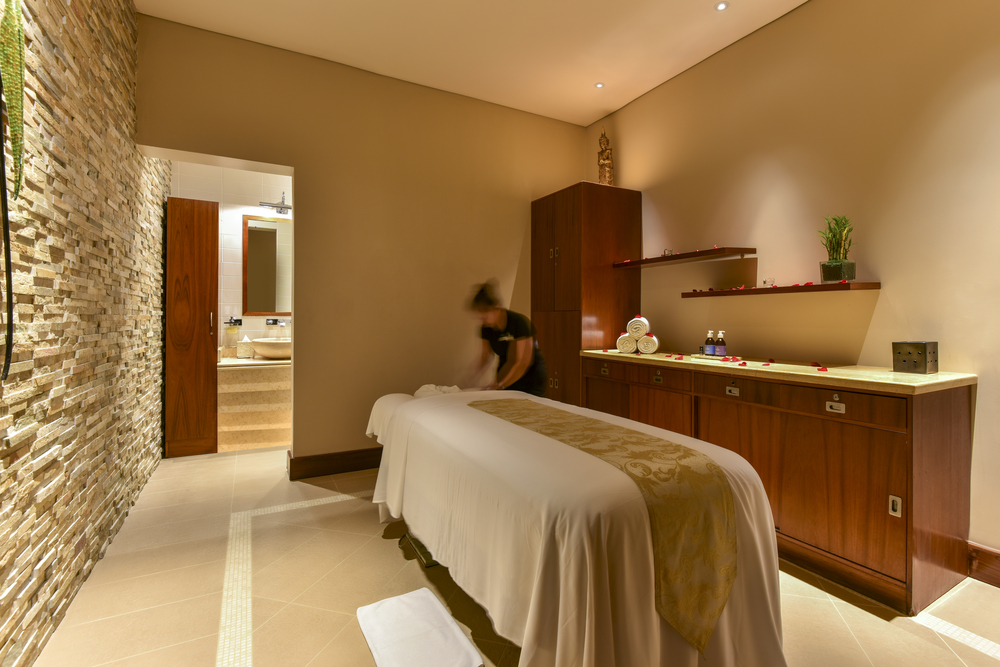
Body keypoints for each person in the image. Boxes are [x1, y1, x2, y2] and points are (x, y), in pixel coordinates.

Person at [467, 282, 547, 396]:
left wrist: (501, 385)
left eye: (485, 317)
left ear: (496, 309)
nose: (483, 321)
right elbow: (485, 356)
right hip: (506, 369)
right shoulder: (486, 328)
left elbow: (522, 362)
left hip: (530, 376)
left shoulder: (518, 322)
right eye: (480, 318)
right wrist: (470, 378)